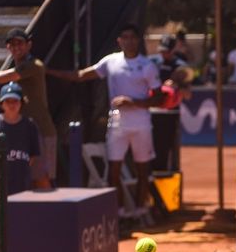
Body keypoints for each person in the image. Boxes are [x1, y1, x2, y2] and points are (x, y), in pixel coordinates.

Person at [48, 24, 163, 210]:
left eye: (132, 37)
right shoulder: (110, 61)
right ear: (119, 41)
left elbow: (159, 98)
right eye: (125, 37)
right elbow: (81, 76)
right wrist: (47, 71)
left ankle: (139, 212)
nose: (129, 41)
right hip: (117, 124)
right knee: (113, 171)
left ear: (138, 40)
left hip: (141, 124)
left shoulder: (147, 66)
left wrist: (132, 102)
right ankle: (118, 214)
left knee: (142, 170)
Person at [0, 28, 55, 189]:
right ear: (8, 47)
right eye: (12, 44)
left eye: (20, 43)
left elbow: (4, 77)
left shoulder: (35, 65)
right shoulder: (18, 66)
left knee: (42, 180)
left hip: (41, 131)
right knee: (25, 180)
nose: (16, 47)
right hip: (23, 132)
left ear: (29, 45)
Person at [0, 82, 40, 195]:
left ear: (21, 102)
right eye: (7, 101)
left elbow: (33, 154)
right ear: (1, 103)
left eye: (15, 101)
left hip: (22, 180)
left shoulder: (30, 125)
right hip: (0, 181)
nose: (11, 105)